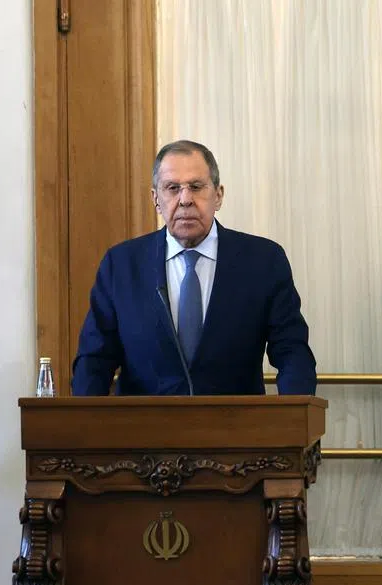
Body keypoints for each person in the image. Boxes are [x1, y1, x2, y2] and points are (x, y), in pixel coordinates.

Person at [72, 140, 316, 396]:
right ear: (156, 199)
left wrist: (295, 421)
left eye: (196, 187)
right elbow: (94, 359)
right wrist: (84, 428)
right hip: (144, 430)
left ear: (218, 195)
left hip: (238, 430)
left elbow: (292, 352)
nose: (185, 199)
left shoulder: (263, 261)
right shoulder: (121, 265)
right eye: (172, 188)